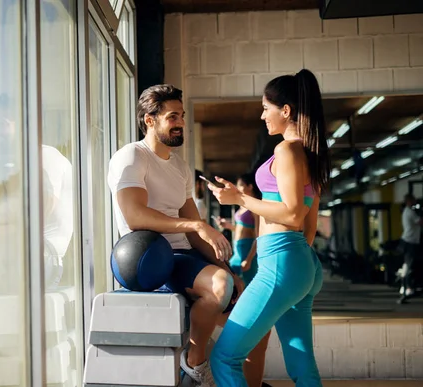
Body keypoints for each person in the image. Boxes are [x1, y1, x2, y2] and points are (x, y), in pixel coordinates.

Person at [107, 84, 241, 387]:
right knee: (219, 288)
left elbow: (196, 231)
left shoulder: (180, 167)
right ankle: (195, 364)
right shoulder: (132, 157)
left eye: (181, 116)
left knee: (242, 300)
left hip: (186, 255)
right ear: (149, 120)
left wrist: (228, 270)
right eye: (172, 116)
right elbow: (135, 216)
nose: (180, 123)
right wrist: (195, 226)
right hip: (154, 256)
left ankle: (240, 378)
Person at [207, 69, 329, 387]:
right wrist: (295, 262)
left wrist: (241, 198)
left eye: (266, 108)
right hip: (301, 264)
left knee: (224, 357)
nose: (263, 116)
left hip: (281, 263)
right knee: (303, 368)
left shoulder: (287, 150)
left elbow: (292, 215)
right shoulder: (310, 153)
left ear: (285, 110)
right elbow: (309, 225)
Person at [215, 173, 270, 387]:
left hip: (247, 253)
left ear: (248, 186)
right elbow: (240, 229)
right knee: (236, 293)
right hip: (237, 253)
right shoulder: (241, 206)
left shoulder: (255, 206)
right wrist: (226, 226)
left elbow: (258, 234)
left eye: (240, 186)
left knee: (247, 296)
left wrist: (250, 258)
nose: (237, 189)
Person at [398, 193, 421, 303]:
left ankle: (406, 288)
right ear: (409, 201)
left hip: (409, 242)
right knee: (409, 266)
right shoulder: (410, 212)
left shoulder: (407, 211)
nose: (415, 201)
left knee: (408, 265)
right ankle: (408, 288)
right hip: (409, 242)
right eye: (413, 200)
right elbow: (421, 222)